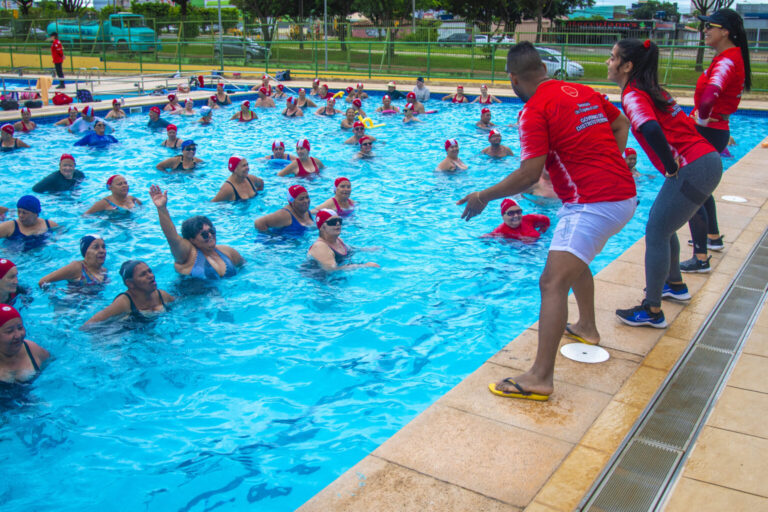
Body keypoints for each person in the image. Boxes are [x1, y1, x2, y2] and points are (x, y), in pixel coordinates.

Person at [458, 42, 637, 401]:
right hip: (622, 195)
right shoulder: (581, 90)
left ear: (512, 78)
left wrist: (482, 197)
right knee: (574, 259)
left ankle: (540, 376)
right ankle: (586, 326)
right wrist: (606, 163)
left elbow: (528, 175)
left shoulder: (534, 110)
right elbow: (620, 123)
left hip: (592, 203)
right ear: (543, 68)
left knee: (551, 283)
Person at [609, 39, 721, 327]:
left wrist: (671, 166)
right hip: (707, 160)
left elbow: (650, 127)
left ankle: (652, 310)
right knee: (665, 224)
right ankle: (675, 284)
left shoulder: (633, 95)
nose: (609, 63)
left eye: (612, 58)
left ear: (628, 65)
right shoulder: (655, 91)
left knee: (656, 230)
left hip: (692, 166)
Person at [685, 8, 752, 271]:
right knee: (702, 191)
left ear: (725, 31)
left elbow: (710, 96)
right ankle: (712, 238)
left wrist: (700, 121)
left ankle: (700, 259)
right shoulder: (730, 57)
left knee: (690, 193)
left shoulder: (726, 61)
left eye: (709, 26)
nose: (705, 31)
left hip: (708, 132)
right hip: (716, 131)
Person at [149, 185, 243, 279]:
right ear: (192, 239)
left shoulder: (228, 251)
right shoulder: (187, 256)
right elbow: (172, 237)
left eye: (212, 231)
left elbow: (246, 269)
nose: (210, 235)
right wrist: (162, 209)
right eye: (204, 234)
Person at [83, 260, 175, 326]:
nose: (151, 276)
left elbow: (180, 303)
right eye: (143, 274)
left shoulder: (161, 295)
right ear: (130, 283)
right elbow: (90, 324)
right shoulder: (124, 302)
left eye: (150, 271)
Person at [308, 210, 379, 271]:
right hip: (321, 282)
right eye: (332, 222)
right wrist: (363, 266)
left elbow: (351, 249)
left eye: (339, 221)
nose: (338, 224)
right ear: (322, 227)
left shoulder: (337, 239)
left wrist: (367, 249)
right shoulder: (320, 247)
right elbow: (331, 270)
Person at [0, 304, 50, 383]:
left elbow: (52, 365)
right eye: (9, 331)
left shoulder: (32, 349)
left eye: (20, 328)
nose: (18, 335)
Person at [38, 235, 107, 287]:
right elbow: (43, 281)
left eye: (103, 247)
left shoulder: (104, 271)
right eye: (96, 247)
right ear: (85, 252)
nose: (102, 251)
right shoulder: (77, 267)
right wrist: (52, 295)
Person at [485, 198, 550, 242]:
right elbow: (485, 238)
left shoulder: (528, 219)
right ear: (503, 217)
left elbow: (546, 220)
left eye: (518, 212)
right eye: (511, 213)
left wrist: (542, 232)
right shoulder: (500, 231)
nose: (516, 215)